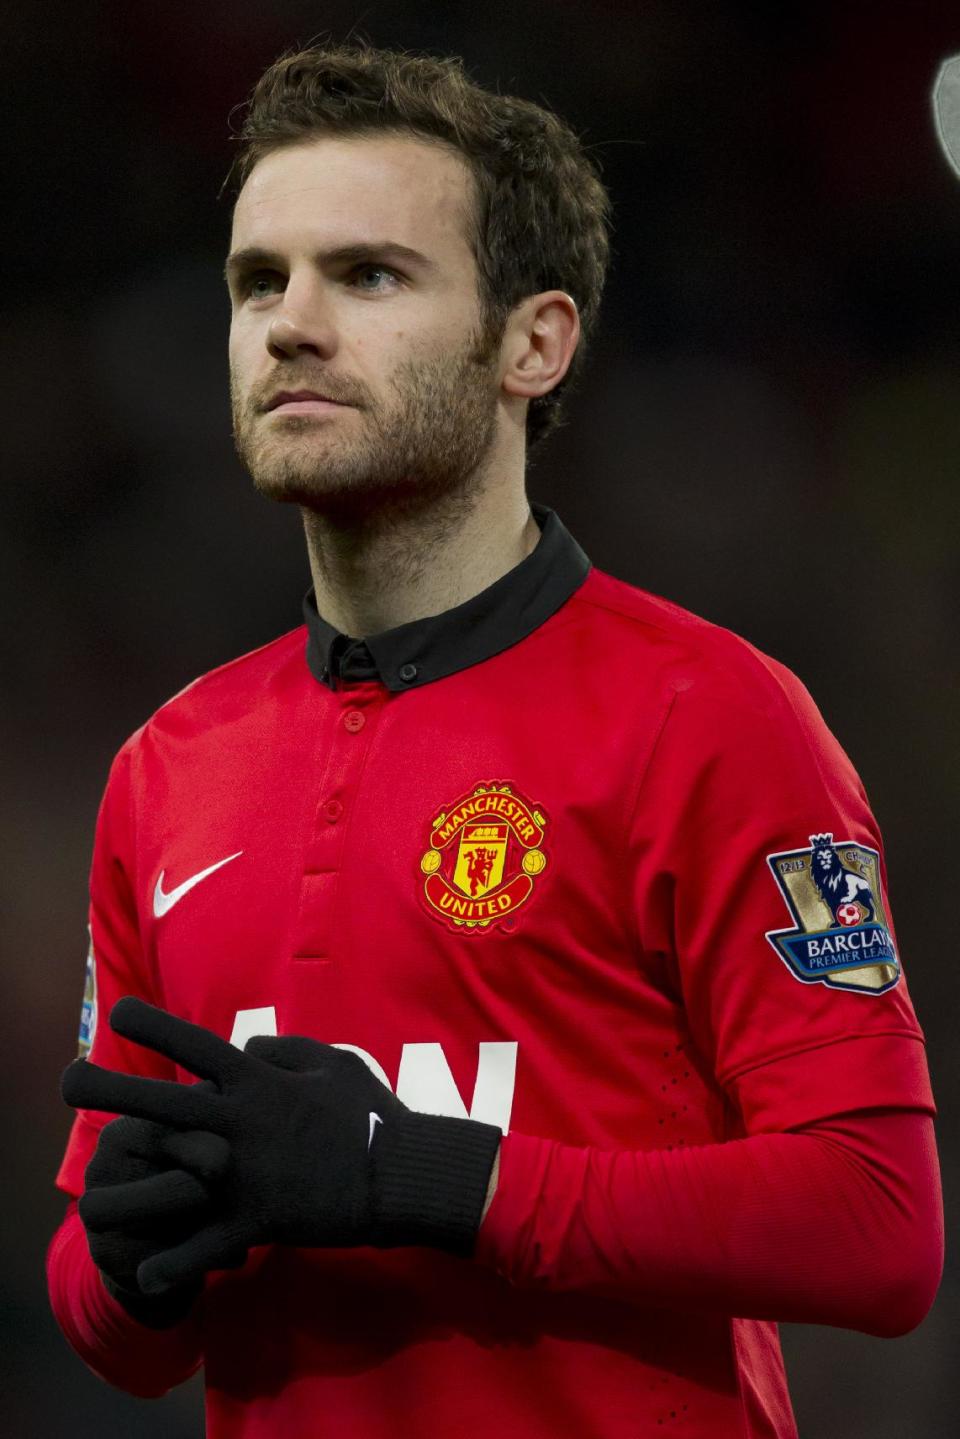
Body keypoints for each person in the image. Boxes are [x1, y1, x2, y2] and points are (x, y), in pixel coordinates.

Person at [48, 40, 943, 1439]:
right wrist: (124, 1268)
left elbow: (877, 1229)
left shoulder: (709, 716)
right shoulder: (168, 763)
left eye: (370, 275)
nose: (290, 322)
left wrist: (421, 1177)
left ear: (535, 342)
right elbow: (116, 1337)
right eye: (256, 281)